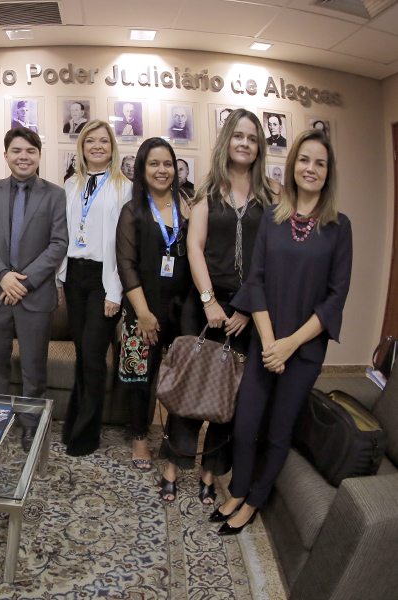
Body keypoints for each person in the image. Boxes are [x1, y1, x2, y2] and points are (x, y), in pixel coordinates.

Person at [215, 129, 352, 535]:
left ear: (328, 173)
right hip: (265, 343)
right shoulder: (273, 218)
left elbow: (335, 299)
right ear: (292, 166)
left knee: (278, 432)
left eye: (320, 163)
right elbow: (255, 281)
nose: (311, 168)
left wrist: (289, 345)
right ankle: (238, 489)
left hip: (304, 350)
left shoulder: (339, 227)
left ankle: (254, 501)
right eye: (304, 160)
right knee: (245, 423)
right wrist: (270, 342)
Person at [158, 109, 278, 504]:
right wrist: (209, 301)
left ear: (259, 147)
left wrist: (247, 308)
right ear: (227, 141)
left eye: (252, 138)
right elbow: (195, 248)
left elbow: (271, 258)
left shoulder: (272, 196)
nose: (245, 143)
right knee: (191, 389)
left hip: (249, 312)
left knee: (230, 396)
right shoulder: (208, 191)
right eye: (238, 136)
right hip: (203, 305)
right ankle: (173, 467)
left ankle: (209, 473)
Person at [0, 127, 68, 451]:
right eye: (16, 150)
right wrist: (2, 276)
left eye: (30, 150)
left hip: (34, 296)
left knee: (34, 369)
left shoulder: (55, 194)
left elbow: (58, 243)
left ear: (39, 155)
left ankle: (31, 426)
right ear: (6, 155)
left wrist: (22, 282)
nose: (23, 156)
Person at [56, 120, 132, 456]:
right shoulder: (71, 184)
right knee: (82, 355)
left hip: (105, 278)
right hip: (75, 275)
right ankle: (74, 423)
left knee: (93, 354)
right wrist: (60, 277)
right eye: (91, 141)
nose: (97, 146)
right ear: (82, 147)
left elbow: (124, 245)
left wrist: (116, 292)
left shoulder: (125, 187)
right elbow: (66, 231)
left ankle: (87, 434)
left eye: (104, 141)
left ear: (112, 147)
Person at [116, 137, 191, 471]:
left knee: (179, 378)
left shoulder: (187, 206)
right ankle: (139, 439)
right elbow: (126, 265)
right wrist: (144, 314)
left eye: (168, 164)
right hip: (143, 308)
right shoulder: (133, 210)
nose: (162, 170)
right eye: (154, 164)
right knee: (139, 379)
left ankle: (173, 440)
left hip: (183, 308)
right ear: (142, 169)